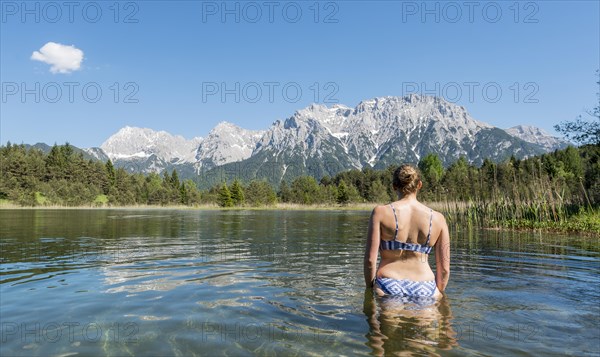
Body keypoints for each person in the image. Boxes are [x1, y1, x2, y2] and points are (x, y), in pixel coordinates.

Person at [363, 164, 450, 298]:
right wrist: (437, 292)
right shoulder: (438, 219)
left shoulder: (380, 213)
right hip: (425, 285)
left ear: (394, 186)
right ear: (419, 185)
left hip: (389, 283)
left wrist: (370, 288)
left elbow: (370, 261)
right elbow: (444, 269)